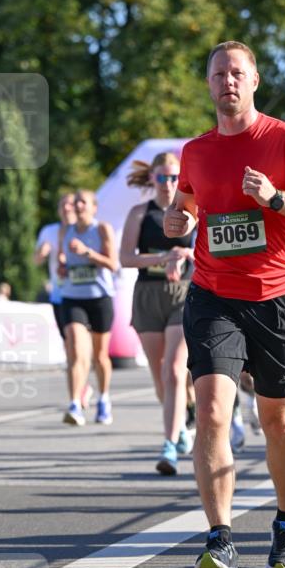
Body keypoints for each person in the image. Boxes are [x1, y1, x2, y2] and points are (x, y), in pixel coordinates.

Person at [164, 40, 285, 568]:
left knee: (278, 421)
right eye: (219, 73)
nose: (228, 82)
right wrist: (179, 222)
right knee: (214, 411)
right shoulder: (194, 151)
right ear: (209, 84)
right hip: (214, 294)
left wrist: (276, 199)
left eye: (237, 73)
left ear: (255, 80)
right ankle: (220, 541)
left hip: (278, 297)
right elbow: (187, 207)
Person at [120, 151, 195, 474]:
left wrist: (184, 253)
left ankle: (168, 447)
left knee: (176, 370)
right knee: (159, 372)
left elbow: (207, 251)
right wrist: (163, 259)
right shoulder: (140, 213)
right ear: (152, 179)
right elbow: (125, 258)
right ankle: (179, 424)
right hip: (148, 295)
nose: (168, 184)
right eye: (163, 177)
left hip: (184, 294)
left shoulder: (192, 211)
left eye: (175, 177)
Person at [59, 190, 118, 426]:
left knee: (100, 356)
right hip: (73, 296)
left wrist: (87, 253)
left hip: (100, 297)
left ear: (94, 207)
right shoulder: (66, 231)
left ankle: (104, 399)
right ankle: (74, 404)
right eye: (76, 202)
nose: (78, 205)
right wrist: (63, 268)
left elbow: (113, 264)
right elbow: (64, 263)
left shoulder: (101, 229)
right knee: (76, 350)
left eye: (83, 202)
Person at [34, 193, 93, 411]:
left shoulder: (86, 230)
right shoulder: (49, 231)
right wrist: (42, 252)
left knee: (79, 346)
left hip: (86, 295)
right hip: (60, 294)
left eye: (71, 204)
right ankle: (81, 386)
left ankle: (80, 390)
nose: (68, 208)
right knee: (70, 347)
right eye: (63, 204)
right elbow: (36, 259)